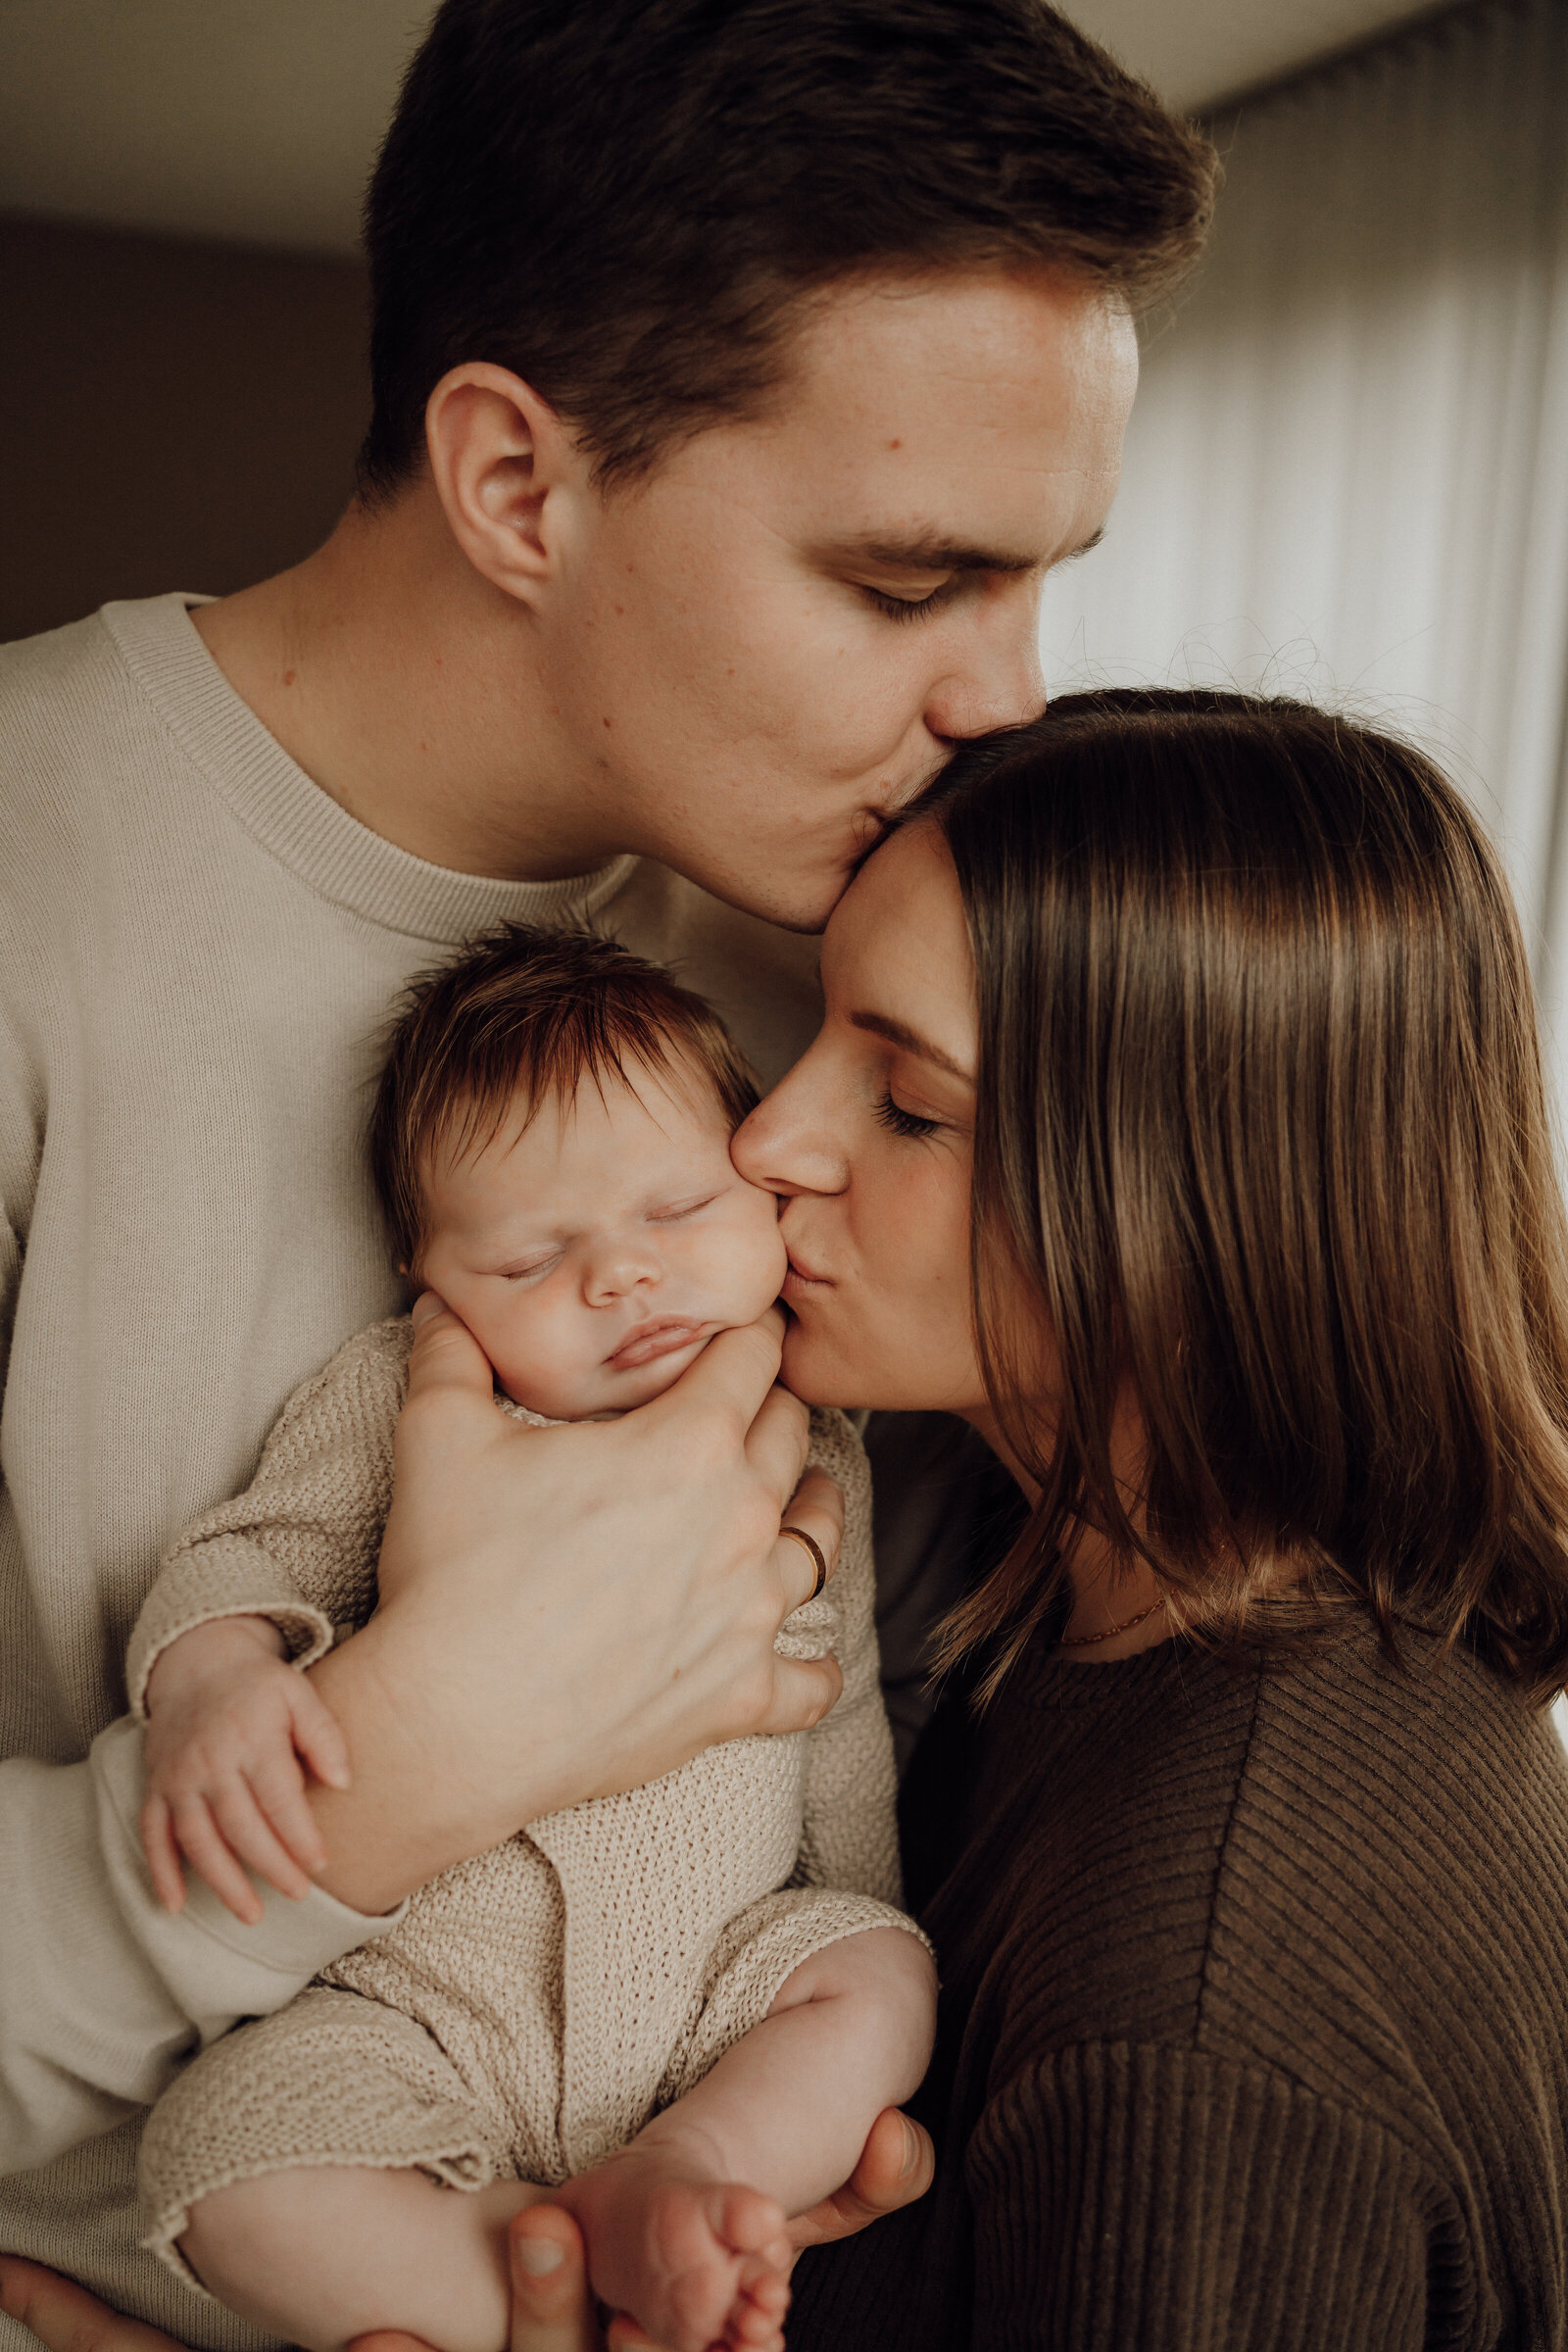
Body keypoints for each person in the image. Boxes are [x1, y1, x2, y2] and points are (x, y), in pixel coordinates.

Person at [0, 1, 1216, 2341]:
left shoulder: (862, 1018)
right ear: (516, 485)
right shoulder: (33, 894)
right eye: (903, 582)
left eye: (1039, 580)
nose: (1009, 705)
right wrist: (399, 1772)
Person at [126, 925, 935, 2352]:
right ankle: (548, 2271)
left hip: (716, 1992)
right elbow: (249, 1554)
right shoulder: (399, 1403)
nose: (622, 1277)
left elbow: (841, 1706)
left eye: (679, 1210)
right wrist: (210, 1681)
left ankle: (686, 2172)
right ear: (429, 1281)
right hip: (426, 2013)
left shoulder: (815, 1436)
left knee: (878, 1979)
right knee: (212, 2166)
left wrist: (865, 1906)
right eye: (533, 1256)